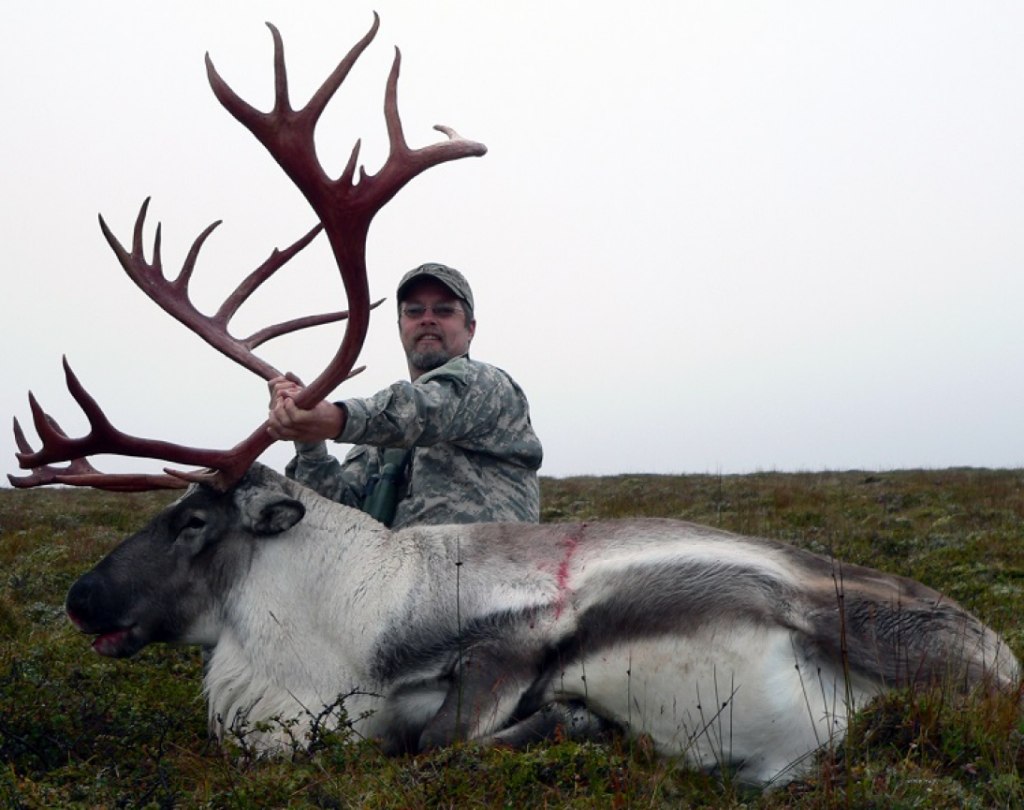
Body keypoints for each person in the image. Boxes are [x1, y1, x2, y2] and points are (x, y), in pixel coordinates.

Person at [267, 262, 542, 528]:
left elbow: (422, 411)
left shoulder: (489, 388)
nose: (427, 319)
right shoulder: (376, 444)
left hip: (485, 569)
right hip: (395, 572)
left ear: (470, 329)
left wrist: (334, 418)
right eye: (414, 311)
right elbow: (335, 520)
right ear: (400, 327)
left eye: (444, 311)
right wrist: (309, 442)